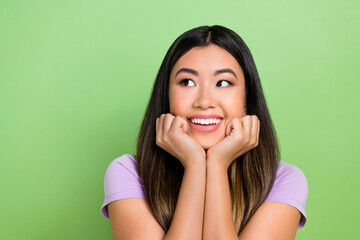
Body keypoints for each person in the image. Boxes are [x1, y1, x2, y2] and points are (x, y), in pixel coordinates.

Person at [100, 25, 308, 239]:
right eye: (187, 82)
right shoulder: (128, 173)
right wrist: (195, 164)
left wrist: (216, 164)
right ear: (167, 98)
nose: (204, 102)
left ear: (246, 101)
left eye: (223, 82)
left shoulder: (284, 181)